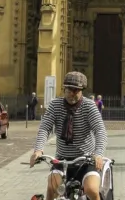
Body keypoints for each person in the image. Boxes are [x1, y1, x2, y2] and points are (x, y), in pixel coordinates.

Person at [30, 72, 108, 200]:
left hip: (86, 160)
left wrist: (98, 154)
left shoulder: (89, 106)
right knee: (51, 187)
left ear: (82, 91)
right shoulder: (55, 105)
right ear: (64, 89)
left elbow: (100, 131)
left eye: (76, 90)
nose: (72, 93)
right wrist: (38, 150)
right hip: (62, 160)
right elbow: (45, 128)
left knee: (92, 190)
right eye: (69, 89)